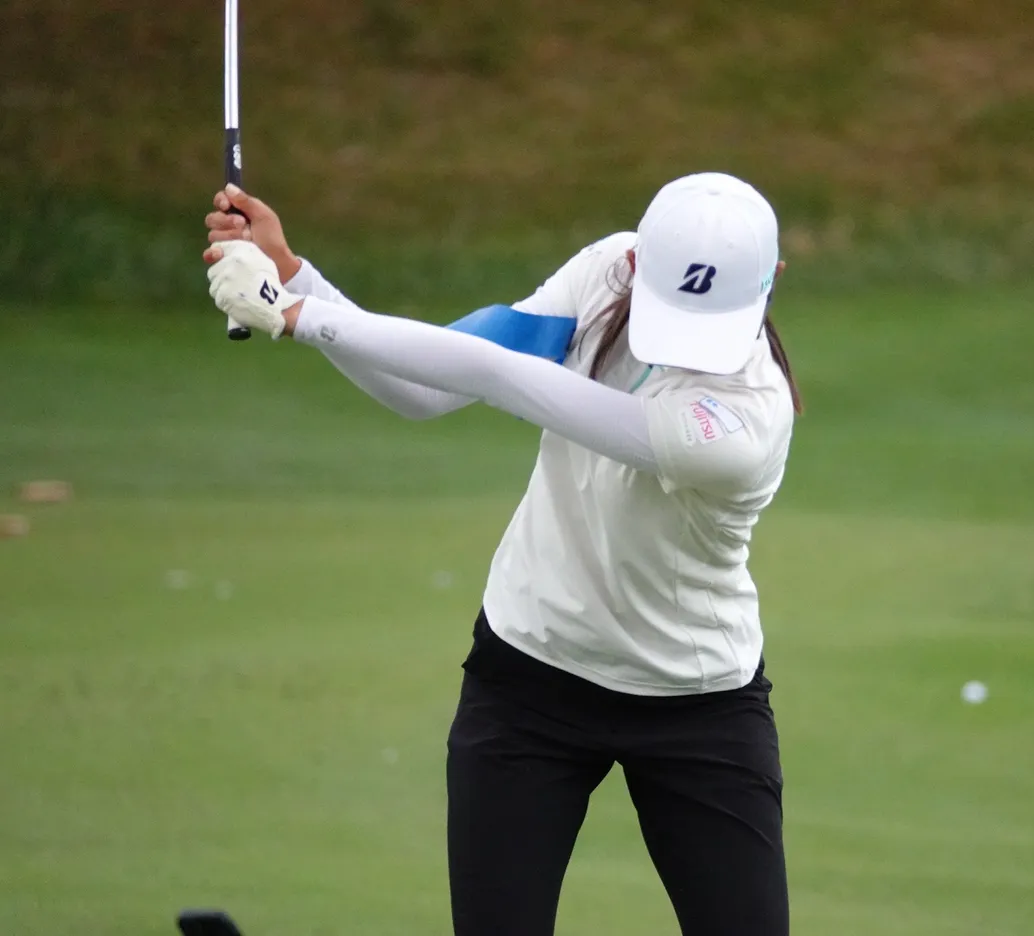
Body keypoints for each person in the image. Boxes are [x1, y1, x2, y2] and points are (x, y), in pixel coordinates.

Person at [202, 172, 802, 936]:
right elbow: (429, 387)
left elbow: (498, 376)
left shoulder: (744, 427)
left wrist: (294, 313)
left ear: (773, 280)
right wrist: (293, 277)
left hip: (695, 702)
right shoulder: (608, 273)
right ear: (639, 260)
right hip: (530, 678)